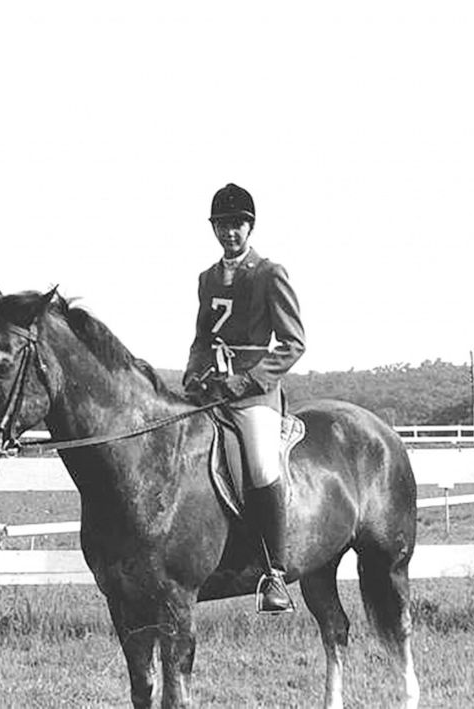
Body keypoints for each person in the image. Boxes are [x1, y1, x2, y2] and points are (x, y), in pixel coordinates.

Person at [183, 183, 306, 613]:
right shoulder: (207, 279)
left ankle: (274, 573)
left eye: (236, 225)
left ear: (249, 226)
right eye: (222, 225)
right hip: (213, 389)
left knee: (259, 461)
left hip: (255, 394)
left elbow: (293, 344)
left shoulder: (269, 273)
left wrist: (246, 381)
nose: (229, 233)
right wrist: (192, 375)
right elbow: (203, 338)